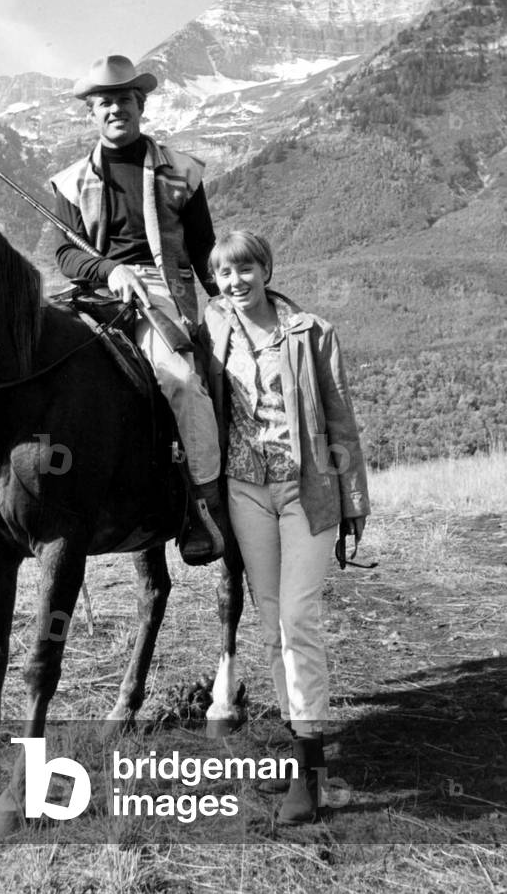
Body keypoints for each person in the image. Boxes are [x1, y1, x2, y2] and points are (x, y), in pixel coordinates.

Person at [200, 229, 370, 824]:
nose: (235, 281)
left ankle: (312, 773)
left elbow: (341, 420)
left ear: (267, 270)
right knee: (272, 625)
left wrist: (353, 502)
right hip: (246, 493)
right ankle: (300, 762)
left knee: (298, 617)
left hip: (308, 490)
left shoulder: (311, 333)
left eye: (246, 269)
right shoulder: (214, 331)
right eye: (224, 273)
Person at [50, 54, 226, 564]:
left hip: (161, 290)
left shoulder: (182, 171)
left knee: (180, 382)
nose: (115, 109)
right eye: (104, 102)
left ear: (141, 104)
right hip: (97, 292)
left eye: (124, 99)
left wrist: (226, 302)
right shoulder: (69, 181)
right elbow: (66, 256)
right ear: (92, 113)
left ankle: (203, 508)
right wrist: (110, 272)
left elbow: (203, 247)